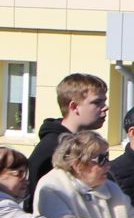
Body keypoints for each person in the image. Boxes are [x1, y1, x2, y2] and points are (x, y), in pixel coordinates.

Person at [25, 73, 107, 208]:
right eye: (97, 102)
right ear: (74, 107)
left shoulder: (91, 145)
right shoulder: (51, 148)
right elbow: (38, 200)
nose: (105, 107)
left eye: (104, 101)